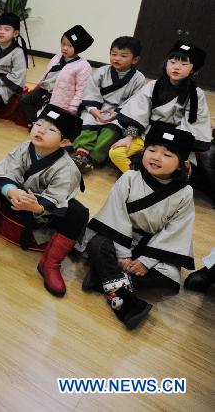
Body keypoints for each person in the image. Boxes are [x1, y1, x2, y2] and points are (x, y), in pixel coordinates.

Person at [0, 105, 88, 297]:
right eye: (39, 124)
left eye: (51, 130)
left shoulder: (68, 169)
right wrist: (10, 190)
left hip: (43, 210)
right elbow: (6, 170)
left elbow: (57, 197)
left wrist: (36, 207)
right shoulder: (24, 147)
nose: (40, 130)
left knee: (78, 213)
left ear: (64, 142)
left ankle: (50, 263)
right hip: (17, 197)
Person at [82, 123, 196, 329]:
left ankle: (104, 279)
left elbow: (177, 229)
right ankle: (125, 302)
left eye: (167, 155)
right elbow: (115, 214)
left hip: (154, 243)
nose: (156, 157)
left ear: (181, 164)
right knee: (97, 244)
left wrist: (147, 260)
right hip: (121, 237)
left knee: (169, 278)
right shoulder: (129, 178)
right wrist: (123, 253)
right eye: (152, 150)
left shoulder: (185, 193)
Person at [109, 40, 211, 173]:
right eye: (172, 62)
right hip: (149, 134)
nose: (176, 67)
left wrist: (182, 151)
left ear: (194, 70)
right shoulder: (153, 86)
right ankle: (136, 177)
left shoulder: (196, 94)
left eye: (184, 64)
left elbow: (193, 125)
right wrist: (128, 137)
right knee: (116, 153)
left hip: (175, 140)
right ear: (166, 64)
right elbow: (138, 115)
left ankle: (151, 176)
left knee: (182, 170)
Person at [71, 36, 147, 173]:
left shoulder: (139, 79)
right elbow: (91, 91)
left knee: (111, 131)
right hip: (99, 108)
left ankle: (93, 158)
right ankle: (81, 153)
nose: (117, 58)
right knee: (88, 124)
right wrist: (93, 110)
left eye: (123, 56)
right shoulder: (102, 71)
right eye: (113, 54)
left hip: (121, 112)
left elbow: (135, 101)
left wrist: (117, 112)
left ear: (135, 59)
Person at [20, 25, 94, 125]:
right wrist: (36, 87)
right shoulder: (57, 57)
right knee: (25, 99)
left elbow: (81, 90)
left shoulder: (83, 66)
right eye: (63, 44)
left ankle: (41, 125)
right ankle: (34, 123)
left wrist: (73, 108)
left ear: (78, 48)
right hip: (44, 91)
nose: (65, 48)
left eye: (70, 46)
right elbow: (46, 74)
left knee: (50, 118)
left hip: (61, 99)